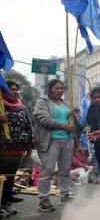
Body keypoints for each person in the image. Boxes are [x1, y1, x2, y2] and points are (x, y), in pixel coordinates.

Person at [33, 79, 77, 212]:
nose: (60, 90)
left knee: (65, 170)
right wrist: (65, 127)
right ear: (50, 89)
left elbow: (74, 125)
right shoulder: (42, 102)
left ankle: (64, 194)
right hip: (50, 140)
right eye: (57, 88)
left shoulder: (67, 104)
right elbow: (45, 120)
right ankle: (43, 199)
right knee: (47, 170)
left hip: (67, 140)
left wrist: (74, 117)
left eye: (62, 88)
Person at [0, 81, 33, 216]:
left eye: (17, 89)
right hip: (2, 150)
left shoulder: (22, 107)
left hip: (17, 148)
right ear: (3, 92)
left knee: (11, 175)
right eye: (12, 89)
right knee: (2, 177)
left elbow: (28, 125)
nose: (15, 92)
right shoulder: (1, 107)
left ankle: (7, 199)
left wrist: (28, 142)